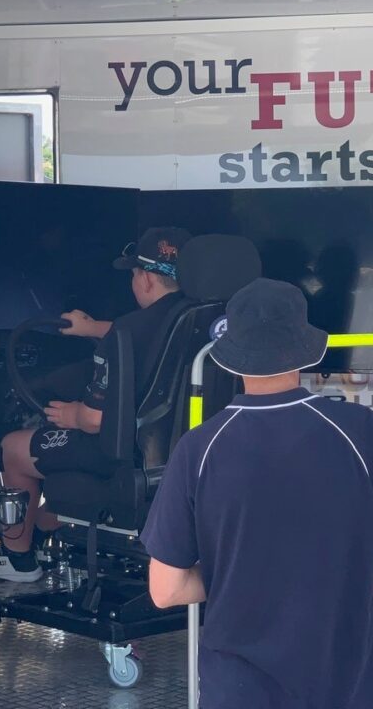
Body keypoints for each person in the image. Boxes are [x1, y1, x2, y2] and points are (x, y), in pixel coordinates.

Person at [141, 278, 373, 709]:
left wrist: (238, 570)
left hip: (238, 691)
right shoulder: (359, 433)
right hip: (346, 686)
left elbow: (165, 590)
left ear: (232, 360)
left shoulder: (199, 448)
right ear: (307, 351)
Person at [0, 226, 192, 582]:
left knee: (14, 448)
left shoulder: (126, 331)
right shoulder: (197, 317)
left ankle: (18, 561)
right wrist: (93, 328)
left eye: (133, 275)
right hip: (175, 449)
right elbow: (145, 331)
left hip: (123, 454)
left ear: (144, 279)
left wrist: (71, 414)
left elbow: (94, 420)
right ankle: (46, 528)